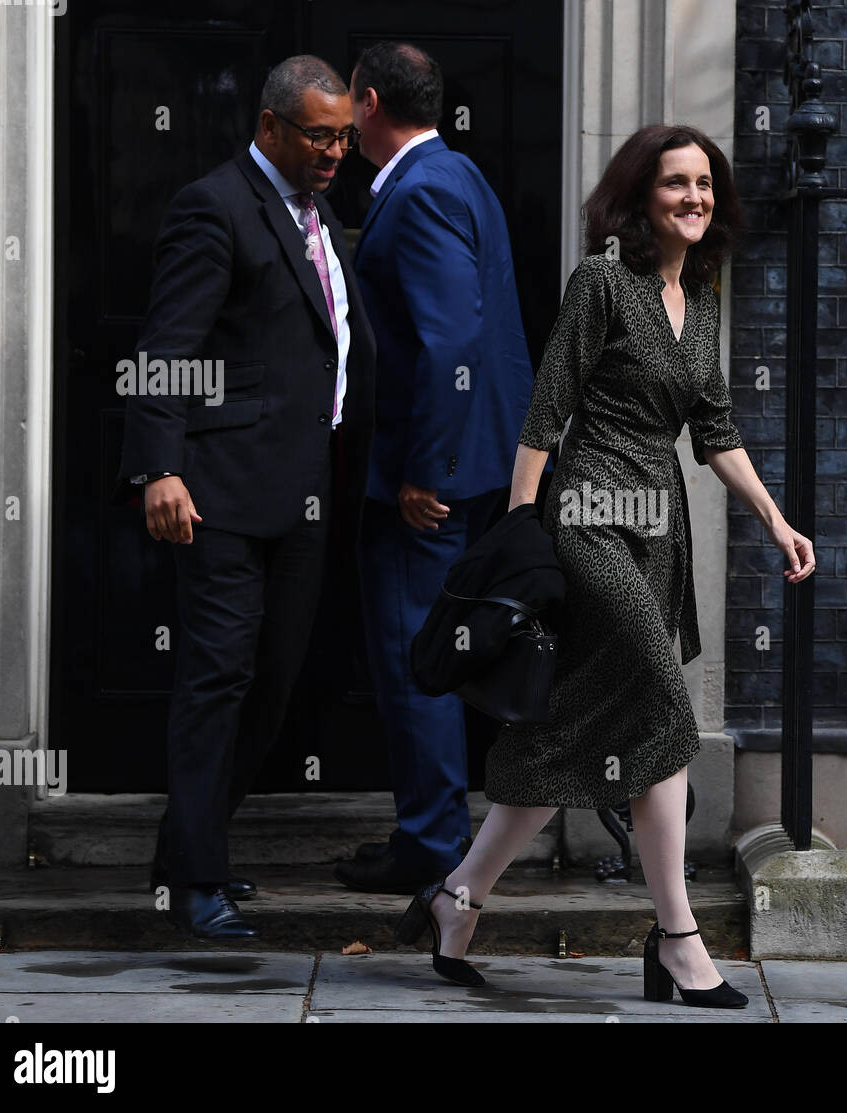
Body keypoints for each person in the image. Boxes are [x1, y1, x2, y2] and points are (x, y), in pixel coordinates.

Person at [395, 125, 815, 1007]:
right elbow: (546, 412)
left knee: (577, 727)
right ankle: (676, 936)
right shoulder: (601, 282)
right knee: (666, 701)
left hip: (657, 528)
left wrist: (775, 519)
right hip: (585, 517)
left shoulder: (699, 294)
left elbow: (716, 430)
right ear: (640, 196)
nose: (694, 198)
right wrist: (520, 532)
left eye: (705, 184)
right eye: (676, 184)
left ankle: (457, 897)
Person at [114, 55, 375, 939]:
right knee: (217, 681)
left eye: (344, 135)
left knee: (272, 683)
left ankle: (193, 851)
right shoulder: (215, 207)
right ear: (269, 128)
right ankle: (192, 884)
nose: (337, 150)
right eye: (319, 135)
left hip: (302, 494)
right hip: (220, 494)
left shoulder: (319, 213)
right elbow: (166, 346)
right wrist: (159, 467)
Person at [337, 42, 534, 894]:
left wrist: (428, 470)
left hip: (434, 475)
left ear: (368, 100)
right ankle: (438, 834)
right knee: (439, 644)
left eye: (348, 101)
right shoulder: (458, 175)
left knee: (414, 651)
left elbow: (452, 339)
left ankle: (429, 844)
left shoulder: (419, 192)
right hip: (479, 458)